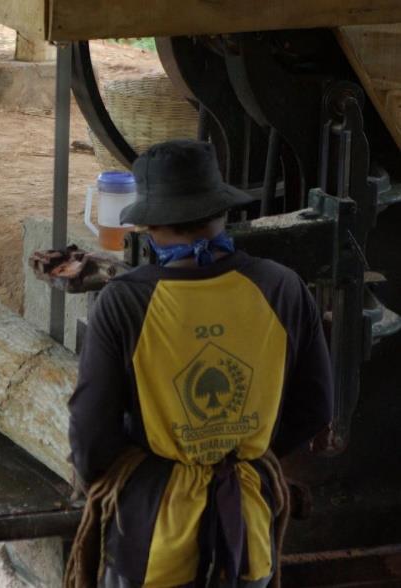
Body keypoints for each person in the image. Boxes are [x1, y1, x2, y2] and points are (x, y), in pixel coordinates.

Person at [67, 140, 333, 587]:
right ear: (220, 210)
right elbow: (316, 408)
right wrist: (240, 458)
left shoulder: (125, 302)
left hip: (152, 541)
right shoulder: (282, 288)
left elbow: (91, 435)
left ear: (149, 222)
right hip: (247, 532)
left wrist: (137, 476)